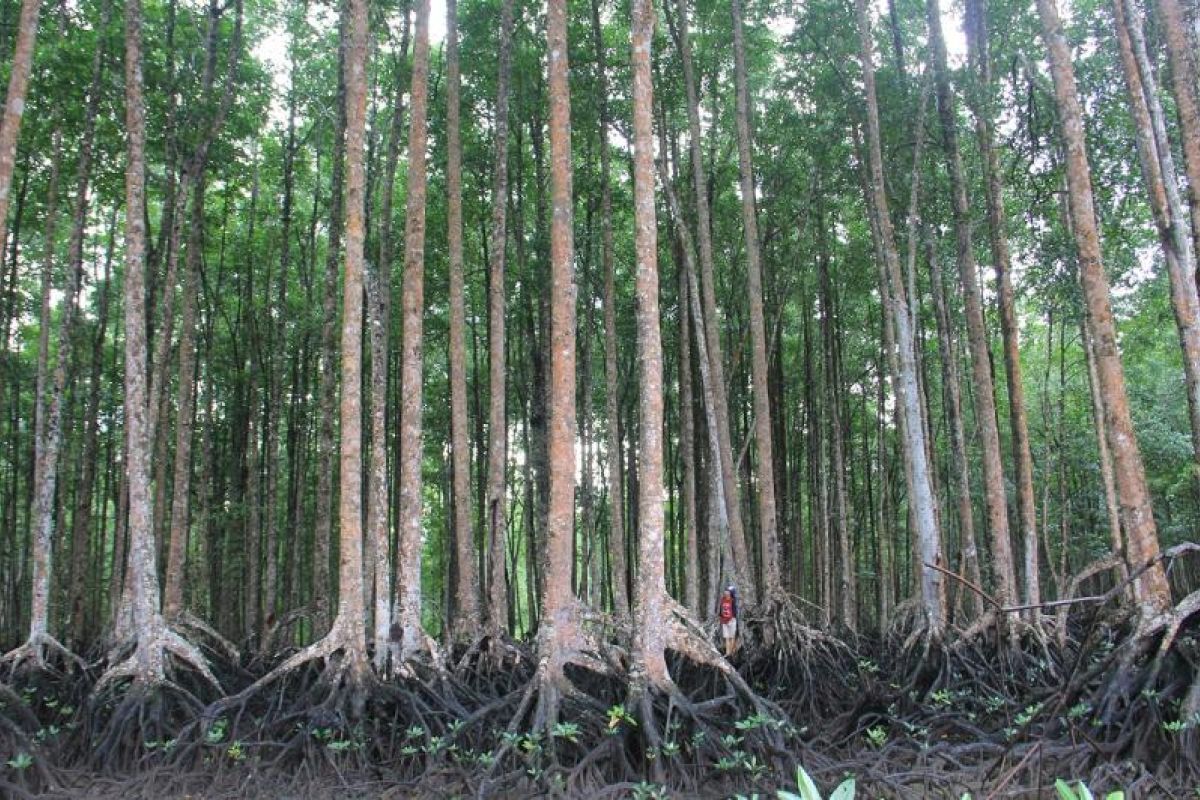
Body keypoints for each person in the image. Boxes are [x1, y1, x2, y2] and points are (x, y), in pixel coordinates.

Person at [718, 585, 738, 656]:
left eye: (728, 591)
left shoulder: (733, 600)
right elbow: (721, 609)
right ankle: (727, 653)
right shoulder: (723, 599)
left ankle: (732, 652)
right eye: (726, 591)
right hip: (724, 620)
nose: (726, 592)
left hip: (732, 620)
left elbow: (735, 611)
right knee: (726, 637)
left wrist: (733, 618)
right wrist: (720, 617)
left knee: (732, 636)